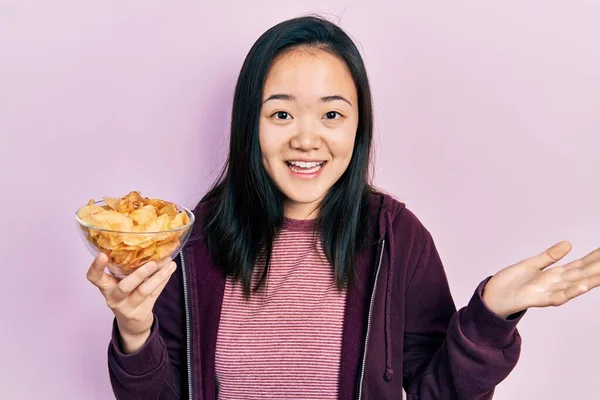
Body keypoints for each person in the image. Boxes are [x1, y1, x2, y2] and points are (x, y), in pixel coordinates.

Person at [86, 15, 600, 400]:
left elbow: (436, 392)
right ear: (250, 125)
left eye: (331, 113)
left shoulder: (393, 235)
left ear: (358, 128)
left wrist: (491, 316)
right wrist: (134, 329)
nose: (306, 139)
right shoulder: (196, 239)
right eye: (281, 113)